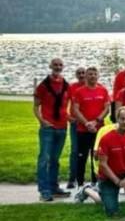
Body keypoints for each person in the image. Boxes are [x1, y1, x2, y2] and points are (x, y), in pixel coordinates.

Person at [34, 58, 72, 201]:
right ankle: (44, 190)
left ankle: (54, 187)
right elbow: (35, 107)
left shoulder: (66, 85)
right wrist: (42, 121)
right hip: (48, 129)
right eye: (55, 65)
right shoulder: (43, 85)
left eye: (60, 65)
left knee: (55, 159)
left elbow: (64, 107)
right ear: (50, 66)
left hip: (62, 128)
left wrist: (69, 118)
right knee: (44, 158)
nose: (57, 67)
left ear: (63, 67)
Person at [72, 67, 111, 189]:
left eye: (95, 74)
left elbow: (106, 108)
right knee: (81, 157)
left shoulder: (103, 90)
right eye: (90, 74)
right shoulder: (79, 91)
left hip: (98, 130)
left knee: (97, 156)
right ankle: (80, 184)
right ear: (86, 76)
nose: (92, 76)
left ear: (98, 76)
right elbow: (75, 109)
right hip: (82, 130)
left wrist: (96, 121)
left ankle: (96, 182)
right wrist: (87, 123)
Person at [67, 67, 87, 190]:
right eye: (78, 73)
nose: (81, 75)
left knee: (90, 152)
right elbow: (64, 104)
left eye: (83, 73)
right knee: (75, 151)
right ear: (76, 75)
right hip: (75, 124)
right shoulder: (72, 87)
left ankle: (93, 179)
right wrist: (68, 117)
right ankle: (72, 179)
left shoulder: (95, 86)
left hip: (89, 125)